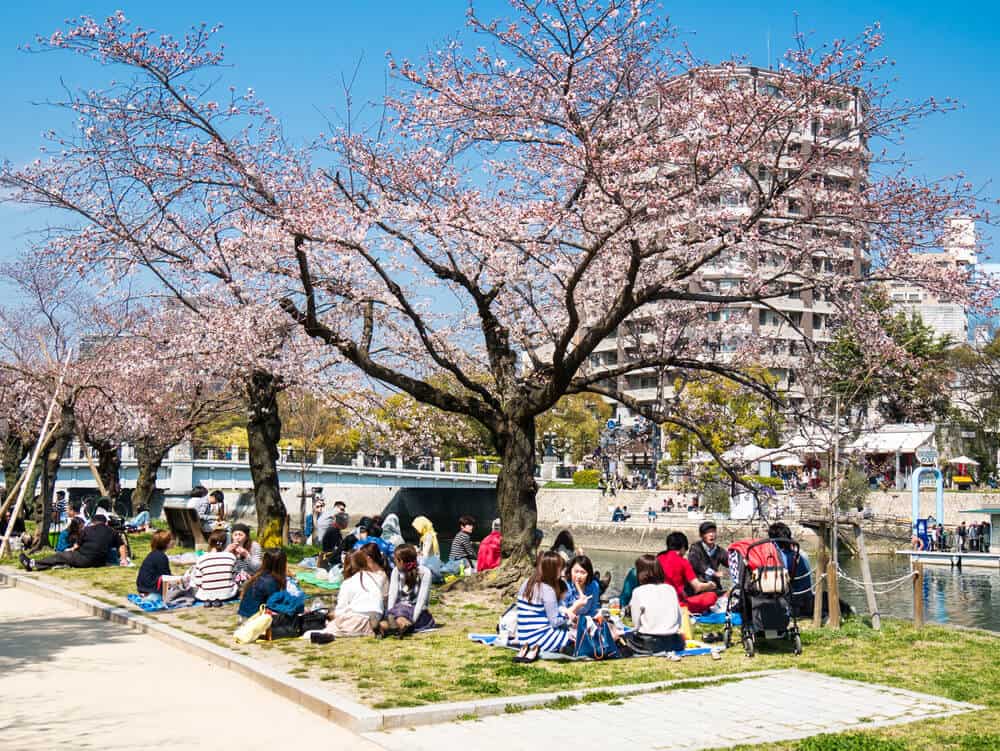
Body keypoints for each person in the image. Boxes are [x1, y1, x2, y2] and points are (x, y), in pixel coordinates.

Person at [514, 551, 589, 662]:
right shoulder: (547, 590)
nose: (562, 572)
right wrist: (568, 615)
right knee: (576, 634)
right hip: (541, 638)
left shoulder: (527, 583)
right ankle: (562, 646)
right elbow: (555, 621)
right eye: (560, 569)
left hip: (523, 637)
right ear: (552, 570)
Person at [21, 511, 128, 571]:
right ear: (105, 523)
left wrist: (70, 550)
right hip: (100, 562)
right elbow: (122, 545)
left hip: (84, 559)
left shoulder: (87, 530)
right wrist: (123, 560)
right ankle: (46, 565)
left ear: (93, 522)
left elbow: (76, 546)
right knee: (62, 560)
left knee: (60, 556)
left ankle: (32, 563)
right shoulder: (112, 531)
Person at [623, 554, 685, 654]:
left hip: (649, 643)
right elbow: (679, 619)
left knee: (624, 637)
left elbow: (636, 624)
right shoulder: (670, 589)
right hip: (675, 641)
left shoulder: (638, 591)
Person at [656, 531, 718, 615]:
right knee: (711, 596)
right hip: (677, 606)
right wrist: (710, 585)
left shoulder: (658, 558)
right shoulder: (683, 562)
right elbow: (698, 587)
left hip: (657, 603)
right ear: (682, 547)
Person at [380, 544, 434, 637]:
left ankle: (397, 626)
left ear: (401, 561)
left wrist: (413, 619)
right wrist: (390, 612)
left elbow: (421, 600)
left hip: (416, 612)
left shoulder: (425, 572)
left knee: (400, 616)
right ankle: (394, 626)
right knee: (396, 616)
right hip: (397, 610)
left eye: (395, 559)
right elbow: (392, 595)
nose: (394, 560)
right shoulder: (396, 571)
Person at [189, 529, 238, 606]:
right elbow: (235, 577)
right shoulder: (231, 557)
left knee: (192, 573)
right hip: (228, 594)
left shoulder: (201, 558)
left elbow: (198, 582)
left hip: (204, 596)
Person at [238, 549, 288, 621]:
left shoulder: (259, 576)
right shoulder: (271, 582)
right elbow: (275, 605)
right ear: (281, 564)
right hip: (254, 619)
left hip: (244, 614)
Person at [687, 521, 728, 590]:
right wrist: (713, 573)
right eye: (708, 532)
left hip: (714, 585)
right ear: (701, 535)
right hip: (699, 586)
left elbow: (729, 561)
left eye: (713, 532)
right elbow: (696, 564)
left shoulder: (719, 550)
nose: (711, 535)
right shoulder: (695, 548)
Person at [136, 530, 173, 595]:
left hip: (142, 586)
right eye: (171, 540)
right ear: (165, 543)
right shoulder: (161, 557)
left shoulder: (153, 554)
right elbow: (166, 576)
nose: (173, 541)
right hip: (150, 588)